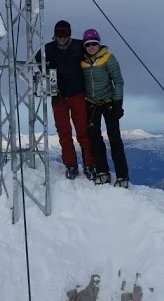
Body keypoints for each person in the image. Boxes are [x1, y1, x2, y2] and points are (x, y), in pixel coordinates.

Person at [35, 20, 95, 180]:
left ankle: (89, 164)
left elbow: (93, 52)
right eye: (59, 36)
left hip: (78, 94)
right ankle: (70, 164)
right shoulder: (48, 49)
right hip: (59, 96)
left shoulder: (79, 46)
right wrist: (47, 73)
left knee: (83, 131)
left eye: (65, 35)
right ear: (55, 35)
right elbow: (38, 58)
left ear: (69, 34)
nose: (62, 39)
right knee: (64, 132)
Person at [79, 28, 130, 188]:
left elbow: (118, 81)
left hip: (108, 102)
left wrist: (118, 103)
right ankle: (102, 171)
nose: (91, 47)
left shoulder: (108, 58)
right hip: (92, 103)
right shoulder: (82, 60)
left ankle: (122, 175)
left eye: (94, 43)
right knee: (95, 139)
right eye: (88, 44)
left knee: (114, 139)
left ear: (99, 43)